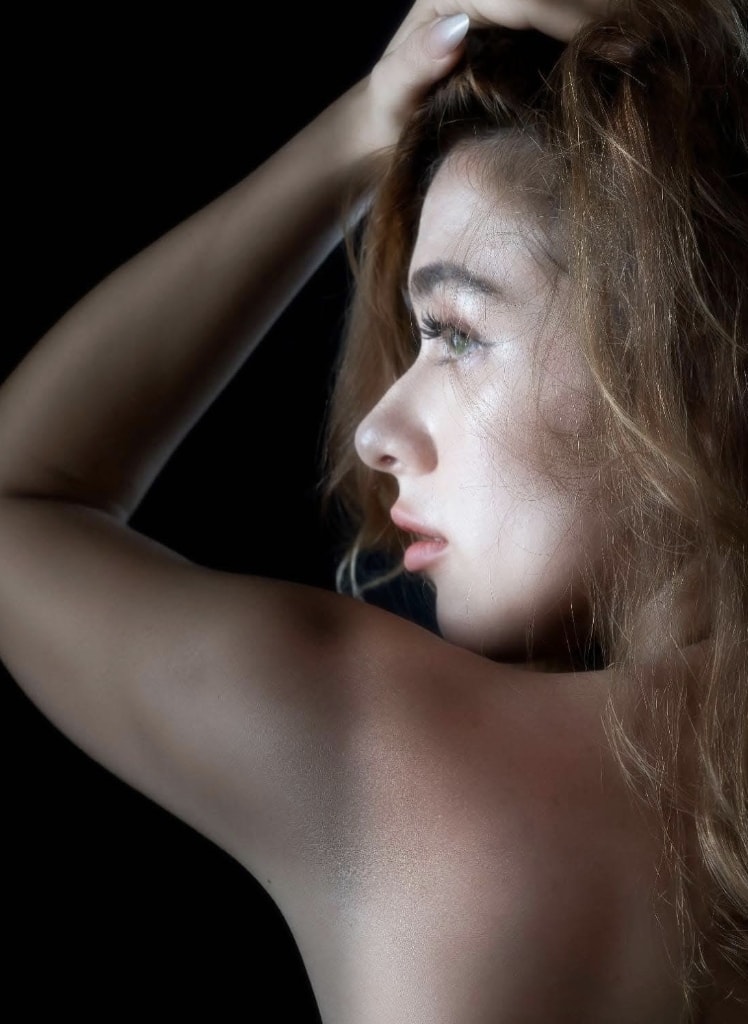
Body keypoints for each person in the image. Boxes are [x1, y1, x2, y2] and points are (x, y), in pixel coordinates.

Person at [1, 1, 745, 1021]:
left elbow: (20, 497)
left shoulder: (384, 756)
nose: (376, 432)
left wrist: (362, 127)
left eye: (458, 332)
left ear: (693, 353)